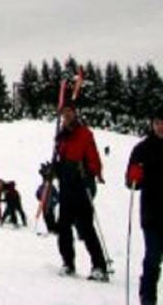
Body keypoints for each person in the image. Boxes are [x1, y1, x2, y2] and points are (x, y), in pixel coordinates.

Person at [53, 102, 109, 280]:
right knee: (63, 227)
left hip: (82, 187)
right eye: (64, 113)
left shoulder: (84, 134)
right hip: (66, 187)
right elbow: (60, 160)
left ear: (75, 113)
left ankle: (99, 266)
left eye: (69, 112)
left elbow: (94, 159)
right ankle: (68, 262)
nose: (67, 115)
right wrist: (53, 170)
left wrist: (91, 172)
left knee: (86, 228)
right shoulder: (61, 137)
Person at [126, 104, 163, 305]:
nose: (160, 127)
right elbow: (131, 182)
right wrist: (134, 177)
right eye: (157, 122)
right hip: (152, 214)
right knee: (153, 258)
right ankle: (147, 298)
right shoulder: (142, 149)